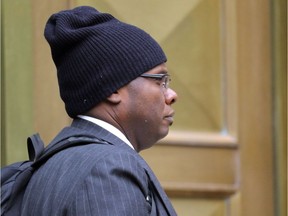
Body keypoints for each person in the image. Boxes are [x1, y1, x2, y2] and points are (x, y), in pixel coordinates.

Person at [22, 6, 178, 216]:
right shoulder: (108, 167)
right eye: (160, 80)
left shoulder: (55, 164)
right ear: (112, 89)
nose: (171, 95)